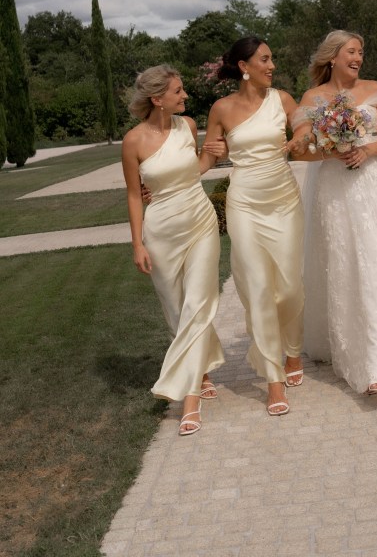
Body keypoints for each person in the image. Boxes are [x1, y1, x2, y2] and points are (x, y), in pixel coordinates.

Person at [292, 30, 377, 397]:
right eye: (352, 51)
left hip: (373, 184)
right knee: (345, 263)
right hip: (335, 188)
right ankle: (353, 349)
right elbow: (301, 148)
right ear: (332, 56)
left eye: (361, 52)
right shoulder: (312, 98)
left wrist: (366, 149)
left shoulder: (375, 89)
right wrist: (330, 149)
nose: (358, 58)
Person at [122, 65, 226, 437]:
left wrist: (214, 156)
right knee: (177, 308)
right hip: (161, 230)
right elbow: (134, 195)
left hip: (199, 221)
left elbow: (193, 169)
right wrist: (137, 243)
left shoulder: (188, 126)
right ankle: (203, 369)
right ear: (157, 99)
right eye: (178, 91)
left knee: (198, 302)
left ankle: (190, 399)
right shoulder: (133, 141)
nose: (185, 96)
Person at [204, 37, 305, 416]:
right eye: (265, 59)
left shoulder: (283, 99)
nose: (272, 65)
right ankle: (273, 377)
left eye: (272, 59)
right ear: (245, 67)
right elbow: (205, 160)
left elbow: (306, 128)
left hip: (284, 200)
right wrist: (166, 181)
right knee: (259, 288)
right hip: (244, 203)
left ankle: (293, 350)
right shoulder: (221, 109)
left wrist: (301, 137)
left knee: (290, 286)